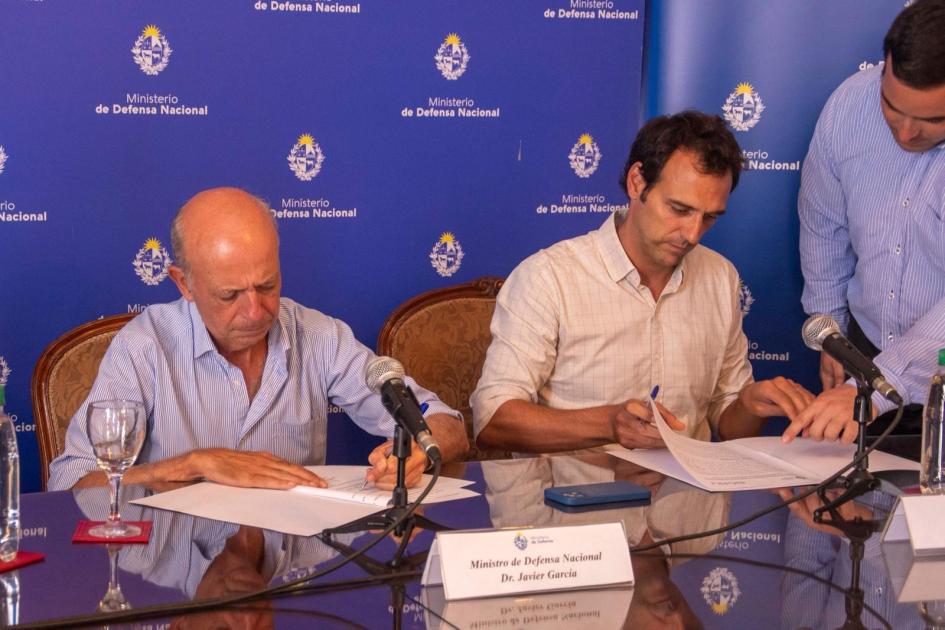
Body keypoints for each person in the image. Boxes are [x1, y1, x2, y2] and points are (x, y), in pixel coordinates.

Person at [48, 187, 468, 491]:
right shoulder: (145, 345)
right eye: (229, 295)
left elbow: (445, 424)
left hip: (292, 574)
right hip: (182, 573)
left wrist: (418, 448)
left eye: (267, 286)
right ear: (184, 283)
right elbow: (70, 482)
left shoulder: (318, 335)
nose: (255, 311)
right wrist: (197, 465)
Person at [471, 111, 813, 452]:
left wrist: (748, 405)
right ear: (637, 182)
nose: (693, 234)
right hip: (571, 498)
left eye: (709, 218)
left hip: (686, 500)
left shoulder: (720, 277)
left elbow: (728, 425)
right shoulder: (549, 278)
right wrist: (608, 424)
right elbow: (491, 418)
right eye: (679, 209)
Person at [789, 0, 945, 446]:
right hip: (864, 357)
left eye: (933, 119)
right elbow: (823, 223)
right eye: (892, 107)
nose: (906, 133)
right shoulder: (849, 106)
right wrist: (831, 329)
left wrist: (880, 383)